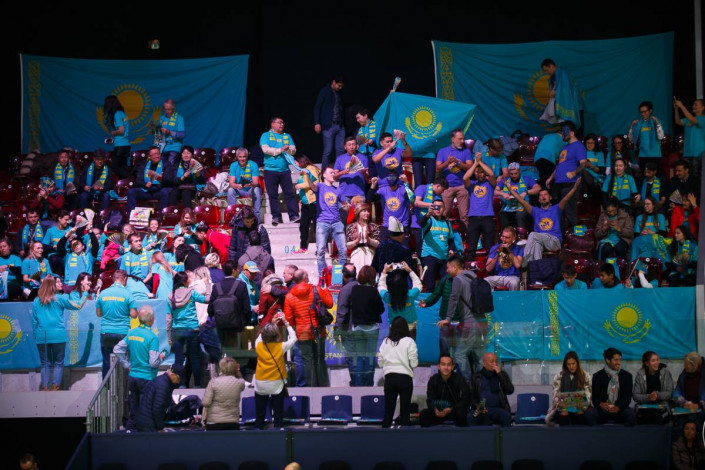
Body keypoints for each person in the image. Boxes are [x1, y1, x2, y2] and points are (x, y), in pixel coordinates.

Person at [31, 276, 88, 390]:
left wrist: (37, 336)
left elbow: (34, 322)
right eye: (58, 282)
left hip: (42, 337)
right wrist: (85, 293)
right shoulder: (60, 298)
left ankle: (45, 388)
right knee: (58, 363)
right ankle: (55, 387)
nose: (61, 283)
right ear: (52, 285)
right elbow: (78, 305)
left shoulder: (37, 301)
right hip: (58, 336)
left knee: (45, 364)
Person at [113, 305, 164, 431]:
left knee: (134, 409)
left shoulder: (132, 333)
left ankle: (130, 432)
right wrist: (161, 358)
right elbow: (153, 363)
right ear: (151, 319)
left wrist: (126, 365)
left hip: (133, 377)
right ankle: (144, 436)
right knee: (145, 411)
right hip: (147, 378)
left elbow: (117, 349)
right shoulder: (152, 337)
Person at [436, 255, 486, 381]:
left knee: (459, 355)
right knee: (479, 357)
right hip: (482, 321)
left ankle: (468, 383)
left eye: (448, 268)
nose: (447, 271)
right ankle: (481, 384)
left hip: (470, 322)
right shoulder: (474, 276)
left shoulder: (458, 279)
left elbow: (453, 299)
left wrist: (448, 318)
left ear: (455, 267)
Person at [335, 265, 385, 387]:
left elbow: (342, 312)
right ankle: (368, 386)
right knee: (369, 359)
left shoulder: (353, 290)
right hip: (372, 329)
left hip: (356, 328)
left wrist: (337, 330)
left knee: (358, 360)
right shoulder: (373, 291)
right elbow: (381, 309)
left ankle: (358, 386)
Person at [512, 179, 581, 265]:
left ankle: (523, 263)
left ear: (550, 197)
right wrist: (510, 189)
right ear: (539, 200)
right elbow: (521, 200)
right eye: (541, 195)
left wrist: (574, 188)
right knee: (536, 245)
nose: (543, 196)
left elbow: (566, 198)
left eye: (545, 194)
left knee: (532, 235)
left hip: (554, 241)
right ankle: (537, 268)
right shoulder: (535, 210)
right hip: (539, 240)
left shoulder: (556, 208)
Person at [283, 269, 334, 387]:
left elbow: (289, 319)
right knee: (319, 360)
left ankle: (310, 388)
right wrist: (326, 290)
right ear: (305, 278)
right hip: (318, 331)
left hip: (302, 333)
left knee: (307, 361)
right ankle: (322, 387)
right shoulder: (316, 289)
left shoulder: (289, 296)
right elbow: (330, 303)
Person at [254, 316, 297, 429]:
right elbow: (293, 338)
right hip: (276, 383)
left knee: (260, 414)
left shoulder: (258, 345)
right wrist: (287, 323)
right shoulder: (281, 346)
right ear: (277, 335)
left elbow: (259, 337)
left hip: (260, 382)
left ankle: (257, 431)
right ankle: (278, 431)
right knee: (278, 414)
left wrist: (271, 323)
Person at [169, 271, 209, 388]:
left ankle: (180, 384)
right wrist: (207, 286)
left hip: (177, 330)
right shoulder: (191, 293)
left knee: (178, 359)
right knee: (195, 358)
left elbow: (168, 318)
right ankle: (197, 384)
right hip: (192, 329)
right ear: (185, 281)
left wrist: (168, 335)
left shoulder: (170, 295)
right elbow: (207, 299)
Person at [96, 269, 138, 378]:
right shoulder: (128, 294)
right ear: (124, 279)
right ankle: (124, 386)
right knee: (124, 362)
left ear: (113, 279)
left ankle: (106, 386)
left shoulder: (103, 293)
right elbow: (134, 315)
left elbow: (99, 314)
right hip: (123, 333)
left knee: (107, 362)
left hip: (106, 332)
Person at [378, 316, 418, 428]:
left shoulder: (385, 341)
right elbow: (414, 364)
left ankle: (384, 434)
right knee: (405, 412)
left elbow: (380, 363)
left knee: (388, 412)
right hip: (405, 379)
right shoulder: (409, 341)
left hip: (389, 379)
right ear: (405, 328)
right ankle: (405, 436)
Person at [546, 121, 587, 228]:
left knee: (570, 212)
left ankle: (573, 235)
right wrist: (551, 177)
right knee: (558, 211)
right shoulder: (565, 147)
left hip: (570, 184)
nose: (562, 134)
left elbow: (583, 163)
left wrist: (574, 172)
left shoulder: (579, 146)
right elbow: (560, 164)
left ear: (572, 133)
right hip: (559, 183)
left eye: (565, 131)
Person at [260, 116, 300, 226]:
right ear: (272, 124)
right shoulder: (266, 135)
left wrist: (289, 149)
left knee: (289, 194)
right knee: (272, 195)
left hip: (285, 169)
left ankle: (294, 215)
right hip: (270, 170)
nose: (282, 125)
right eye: (279, 123)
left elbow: (293, 150)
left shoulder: (287, 136)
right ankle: (276, 217)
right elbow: (265, 149)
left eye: (283, 123)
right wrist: (280, 150)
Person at [309, 166, 347, 275]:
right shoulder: (320, 186)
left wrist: (347, 207)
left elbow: (344, 205)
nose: (333, 174)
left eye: (334, 173)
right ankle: (322, 276)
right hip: (322, 222)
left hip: (337, 222)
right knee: (320, 251)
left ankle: (340, 276)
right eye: (331, 172)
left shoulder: (337, 189)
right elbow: (312, 186)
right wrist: (307, 176)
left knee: (343, 251)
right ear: (324, 175)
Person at [418, 199, 462, 292]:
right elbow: (421, 223)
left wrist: (451, 249)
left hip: (443, 258)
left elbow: (450, 239)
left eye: (440, 207)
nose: (438, 209)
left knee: (447, 284)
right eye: (435, 207)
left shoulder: (447, 222)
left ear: (444, 209)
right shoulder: (428, 220)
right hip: (429, 256)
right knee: (430, 285)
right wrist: (428, 214)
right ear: (432, 208)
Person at [586, 347, 635, 426]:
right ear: (608, 360)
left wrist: (618, 407)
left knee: (631, 415)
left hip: (619, 410)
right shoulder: (597, 376)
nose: (619, 362)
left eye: (620, 360)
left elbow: (627, 398)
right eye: (616, 360)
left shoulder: (627, 376)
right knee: (590, 414)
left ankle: (622, 433)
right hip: (603, 411)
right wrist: (601, 404)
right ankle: (598, 433)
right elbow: (595, 398)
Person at [420, 354, 471, 427]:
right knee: (423, 414)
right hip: (438, 412)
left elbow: (465, 400)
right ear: (439, 366)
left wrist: (451, 409)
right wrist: (435, 409)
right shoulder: (433, 380)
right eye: (443, 364)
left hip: (453, 411)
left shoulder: (459, 380)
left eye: (448, 365)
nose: (446, 367)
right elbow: (430, 399)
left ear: (452, 367)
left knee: (462, 414)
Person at [436, 129, 474, 228]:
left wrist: (459, 163)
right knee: (444, 214)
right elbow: (437, 169)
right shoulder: (443, 151)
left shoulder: (466, 151)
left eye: (463, 139)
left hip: (462, 186)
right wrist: (447, 162)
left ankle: (465, 236)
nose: (462, 141)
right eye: (459, 139)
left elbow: (470, 167)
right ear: (453, 139)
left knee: (464, 216)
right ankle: (442, 234)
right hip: (446, 187)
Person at [463, 154, 497, 261]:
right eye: (477, 172)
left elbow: (491, 174)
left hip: (487, 217)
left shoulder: (490, 184)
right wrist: (475, 164)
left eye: (482, 172)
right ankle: (470, 268)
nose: (480, 174)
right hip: (473, 218)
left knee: (489, 246)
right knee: (471, 247)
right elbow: (465, 177)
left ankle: (490, 268)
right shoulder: (472, 184)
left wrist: (480, 162)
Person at [379, 260, 422, 339]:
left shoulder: (387, 296)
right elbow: (418, 284)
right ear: (405, 285)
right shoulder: (411, 295)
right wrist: (410, 270)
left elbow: (381, 286)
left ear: (390, 286)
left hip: (393, 327)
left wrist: (384, 271)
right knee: (411, 346)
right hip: (410, 327)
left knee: (394, 346)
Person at [134, 364, 184, 432]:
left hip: (145, 420)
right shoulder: (163, 386)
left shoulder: (163, 381)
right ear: (173, 375)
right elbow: (158, 409)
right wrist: (160, 427)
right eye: (179, 379)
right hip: (148, 424)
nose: (178, 382)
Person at [546, 351, 591, 426]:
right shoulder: (559, 376)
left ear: (577, 363)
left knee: (580, 414)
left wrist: (583, 405)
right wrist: (559, 404)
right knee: (564, 415)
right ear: (565, 365)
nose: (571, 367)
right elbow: (555, 395)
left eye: (573, 364)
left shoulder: (586, 376)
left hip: (579, 407)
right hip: (563, 408)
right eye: (568, 364)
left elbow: (588, 394)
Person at [470, 352, 514, 427]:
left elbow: (510, 390)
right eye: (492, 362)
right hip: (481, 409)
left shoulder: (502, 374)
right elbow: (471, 396)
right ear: (484, 364)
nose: (495, 364)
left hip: (499, 409)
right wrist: (478, 406)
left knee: (506, 415)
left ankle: (505, 435)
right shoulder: (476, 377)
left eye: (496, 361)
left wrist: (500, 374)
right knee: (471, 416)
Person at [201, 356, 246, 430]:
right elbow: (241, 379)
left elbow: (206, 403)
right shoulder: (240, 383)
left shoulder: (213, 382)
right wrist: (237, 371)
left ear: (221, 368)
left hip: (214, 422)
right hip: (233, 422)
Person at [367, 173, 412, 245]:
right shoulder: (383, 190)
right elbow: (370, 199)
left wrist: (406, 182)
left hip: (402, 225)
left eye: (393, 178)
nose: (391, 180)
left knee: (403, 250)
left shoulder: (402, 189)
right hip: (387, 226)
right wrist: (373, 185)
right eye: (389, 178)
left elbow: (412, 199)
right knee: (383, 248)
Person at [540, 58, 583, 130]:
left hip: (572, 106)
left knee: (574, 130)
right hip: (561, 109)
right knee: (564, 129)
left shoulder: (563, 73)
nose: (546, 72)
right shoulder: (552, 78)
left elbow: (567, 89)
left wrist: (555, 92)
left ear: (551, 66)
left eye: (546, 70)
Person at [633, 350, 674, 425]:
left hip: (662, 406)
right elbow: (635, 395)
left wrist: (657, 395)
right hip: (645, 406)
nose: (657, 362)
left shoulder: (665, 373)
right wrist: (649, 397)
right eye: (653, 361)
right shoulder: (640, 374)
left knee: (659, 418)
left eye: (657, 360)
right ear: (646, 363)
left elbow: (670, 393)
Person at [411, 177, 449, 258]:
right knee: (420, 249)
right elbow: (416, 202)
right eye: (443, 189)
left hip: (431, 225)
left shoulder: (438, 196)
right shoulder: (422, 188)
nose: (442, 192)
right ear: (438, 186)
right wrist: (432, 205)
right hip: (418, 224)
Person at [127, 146, 174, 213]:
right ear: (149, 156)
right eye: (154, 154)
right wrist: (145, 185)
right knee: (131, 192)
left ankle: (162, 216)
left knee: (165, 192)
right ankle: (131, 216)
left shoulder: (166, 164)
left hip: (159, 191)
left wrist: (162, 179)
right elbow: (139, 180)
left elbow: (170, 180)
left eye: (158, 153)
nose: (157, 156)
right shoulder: (144, 165)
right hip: (147, 191)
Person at [496, 162, 541, 231]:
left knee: (519, 214)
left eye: (515, 173)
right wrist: (502, 194)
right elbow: (494, 191)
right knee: (501, 214)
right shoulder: (505, 181)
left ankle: (522, 234)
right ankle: (505, 234)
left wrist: (526, 192)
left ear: (519, 171)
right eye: (511, 174)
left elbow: (538, 188)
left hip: (522, 207)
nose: (513, 176)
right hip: (508, 207)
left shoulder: (526, 179)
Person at [291, 153, 321, 255]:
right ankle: (303, 247)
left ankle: (322, 247)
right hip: (305, 203)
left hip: (314, 202)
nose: (295, 164)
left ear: (301, 161)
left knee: (317, 226)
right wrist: (302, 198)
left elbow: (315, 183)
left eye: (296, 162)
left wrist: (300, 186)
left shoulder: (311, 169)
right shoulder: (302, 171)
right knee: (303, 226)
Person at [313, 76, 345, 169]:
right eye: (339, 85)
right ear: (334, 82)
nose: (340, 88)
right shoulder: (325, 91)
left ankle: (338, 171)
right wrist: (317, 122)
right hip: (328, 125)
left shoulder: (339, 93)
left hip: (340, 125)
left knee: (340, 149)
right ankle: (324, 173)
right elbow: (317, 107)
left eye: (341, 86)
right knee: (328, 150)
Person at [630, 196, 669, 261]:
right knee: (635, 242)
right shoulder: (639, 217)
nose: (645, 206)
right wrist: (641, 233)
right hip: (643, 240)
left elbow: (663, 234)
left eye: (648, 204)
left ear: (653, 205)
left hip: (656, 241)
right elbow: (636, 234)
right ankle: (635, 264)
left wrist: (652, 232)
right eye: (644, 204)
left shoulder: (660, 216)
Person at [485, 226, 524, 291]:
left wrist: (509, 251)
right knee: (485, 281)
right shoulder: (495, 248)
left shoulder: (519, 249)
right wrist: (497, 254)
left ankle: (512, 298)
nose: (504, 239)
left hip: (512, 276)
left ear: (513, 238)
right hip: (498, 276)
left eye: (507, 237)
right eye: (503, 236)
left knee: (514, 283)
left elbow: (518, 265)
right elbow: (488, 268)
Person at [227, 147, 262, 218]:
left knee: (256, 189)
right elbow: (231, 183)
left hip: (250, 188)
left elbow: (255, 182)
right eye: (240, 157)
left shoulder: (253, 164)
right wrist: (237, 186)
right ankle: (233, 216)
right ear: (237, 157)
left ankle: (257, 217)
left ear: (247, 156)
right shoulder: (233, 165)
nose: (242, 159)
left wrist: (249, 184)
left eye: (244, 156)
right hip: (239, 189)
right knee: (230, 190)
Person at [628, 101, 665, 169]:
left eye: (645, 112)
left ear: (650, 111)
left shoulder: (657, 121)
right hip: (643, 155)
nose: (643, 114)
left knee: (654, 175)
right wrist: (632, 126)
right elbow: (631, 139)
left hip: (655, 155)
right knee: (644, 174)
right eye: (641, 112)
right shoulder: (639, 123)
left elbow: (661, 137)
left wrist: (657, 123)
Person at [674, 98, 705, 177]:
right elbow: (678, 121)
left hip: (698, 154)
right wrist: (676, 109)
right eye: (693, 104)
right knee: (688, 177)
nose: (693, 106)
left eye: (696, 105)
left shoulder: (703, 118)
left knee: (697, 176)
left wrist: (681, 105)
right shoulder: (688, 120)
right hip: (687, 153)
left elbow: (692, 119)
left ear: (702, 107)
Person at [345, 202, 380, 272]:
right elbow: (348, 246)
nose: (367, 213)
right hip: (356, 254)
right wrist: (356, 241)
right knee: (357, 272)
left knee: (369, 274)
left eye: (368, 211)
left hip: (370, 253)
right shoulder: (351, 227)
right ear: (358, 212)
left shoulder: (373, 226)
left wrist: (369, 240)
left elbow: (378, 244)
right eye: (364, 211)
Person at [333, 136, 368, 203]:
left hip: (359, 193)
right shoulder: (339, 159)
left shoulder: (363, 158)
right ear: (345, 147)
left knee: (360, 210)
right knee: (345, 210)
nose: (351, 147)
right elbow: (334, 177)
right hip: (344, 193)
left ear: (357, 146)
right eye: (349, 145)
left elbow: (367, 178)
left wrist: (363, 173)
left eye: (353, 144)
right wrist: (342, 172)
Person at [103, 95, 131, 179]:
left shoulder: (117, 114)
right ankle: (128, 183)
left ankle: (132, 181)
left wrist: (113, 133)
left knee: (115, 167)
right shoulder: (122, 113)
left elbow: (121, 130)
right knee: (123, 168)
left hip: (120, 145)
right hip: (125, 144)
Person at [674, 352, 705, 427]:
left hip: (701, 411)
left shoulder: (703, 376)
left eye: (686, 364)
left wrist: (699, 405)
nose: (684, 366)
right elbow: (677, 391)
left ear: (693, 365)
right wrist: (683, 402)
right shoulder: (683, 375)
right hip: (686, 408)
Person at [155, 98, 185, 166]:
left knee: (170, 166)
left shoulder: (179, 118)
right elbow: (158, 132)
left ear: (173, 109)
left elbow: (182, 134)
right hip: (162, 147)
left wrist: (170, 132)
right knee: (161, 166)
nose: (166, 111)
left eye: (168, 109)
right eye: (165, 109)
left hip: (174, 147)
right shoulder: (161, 118)